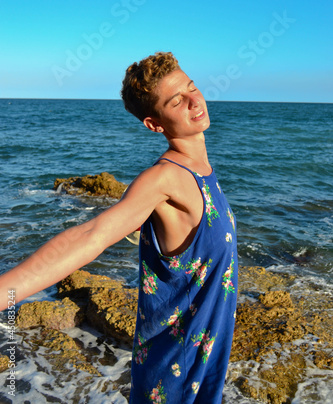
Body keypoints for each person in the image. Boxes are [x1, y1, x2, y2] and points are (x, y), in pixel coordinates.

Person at [0, 52, 238, 403]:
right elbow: (90, 235)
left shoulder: (200, 170)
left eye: (192, 88)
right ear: (154, 124)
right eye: (176, 101)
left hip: (204, 361)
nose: (194, 101)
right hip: (177, 370)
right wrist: (6, 293)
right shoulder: (164, 179)